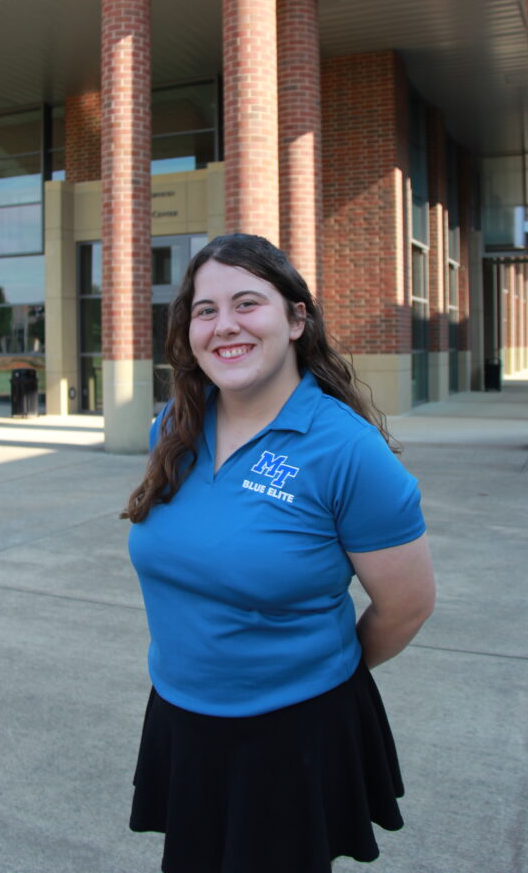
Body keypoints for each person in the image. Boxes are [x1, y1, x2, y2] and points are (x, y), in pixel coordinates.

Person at [124, 232, 435, 873]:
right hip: (181, 715)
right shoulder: (175, 424)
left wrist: (311, 673)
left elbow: (405, 607)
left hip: (290, 731)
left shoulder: (347, 452)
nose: (224, 326)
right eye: (205, 310)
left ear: (296, 319)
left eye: (247, 303)